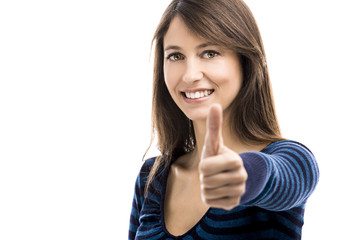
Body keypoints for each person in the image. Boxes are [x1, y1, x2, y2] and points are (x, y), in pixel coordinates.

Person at [129, 0, 319, 239]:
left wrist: (243, 174)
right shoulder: (152, 176)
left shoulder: (288, 158)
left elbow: (286, 176)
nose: (190, 75)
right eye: (176, 56)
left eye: (209, 53)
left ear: (245, 62)